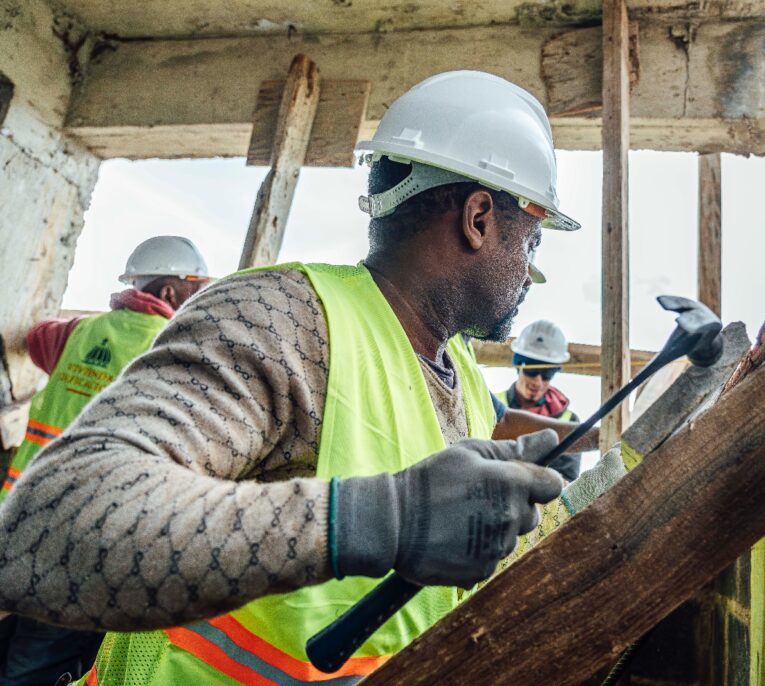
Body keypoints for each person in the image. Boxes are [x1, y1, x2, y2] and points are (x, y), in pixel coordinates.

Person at [0, 71, 593, 685]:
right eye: (532, 245)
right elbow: (51, 530)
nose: (529, 274)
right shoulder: (284, 320)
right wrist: (387, 517)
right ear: (478, 218)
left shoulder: (462, 372)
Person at [0, 235, 210, 685]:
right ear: (171, 292)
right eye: (195, 285)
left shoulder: (78, 333)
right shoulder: (175, 352)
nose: (200, 296)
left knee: (13, 635)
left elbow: (36, 337)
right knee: (41, 663)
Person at [493, 320, 584, 481]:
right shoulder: (492, 406)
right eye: (532, 370)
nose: (537, 381)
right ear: (518, 366)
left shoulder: (569, 421)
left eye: (547, 373)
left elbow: (566, 479)